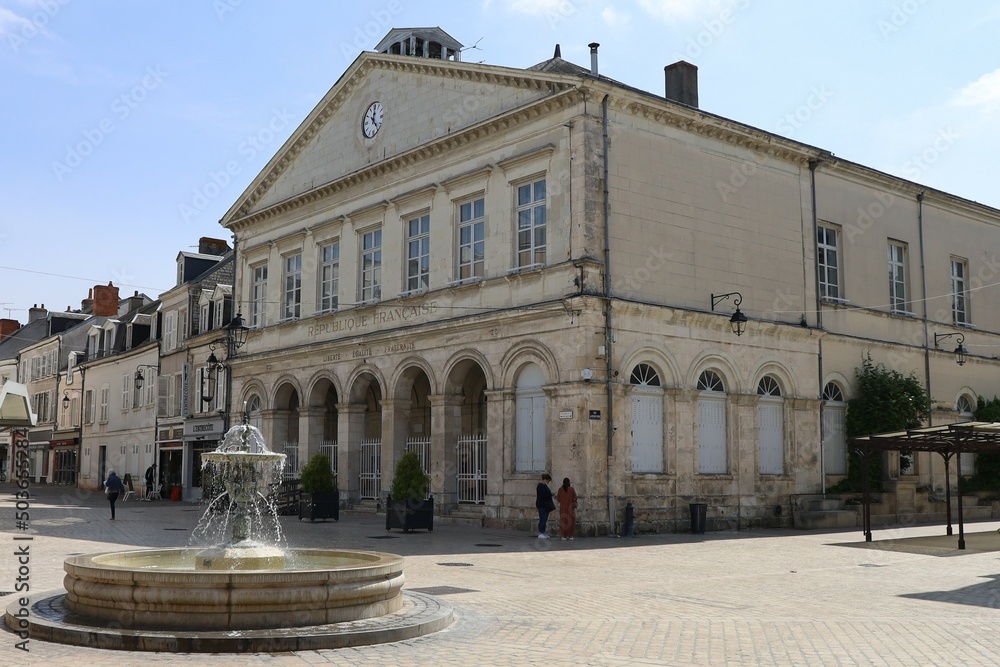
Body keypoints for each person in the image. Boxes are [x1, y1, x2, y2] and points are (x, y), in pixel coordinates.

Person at [535, 473, 555, 539]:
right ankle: (541, 532)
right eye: (548, 481)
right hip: (542, 505)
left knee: (544, 519)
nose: (548, 482)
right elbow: (543, 496)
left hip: (545, 506)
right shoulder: (540, 486)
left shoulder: (544, 486)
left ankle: (543, 532)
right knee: (542, 519)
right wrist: (550, 494)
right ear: (546, 479)